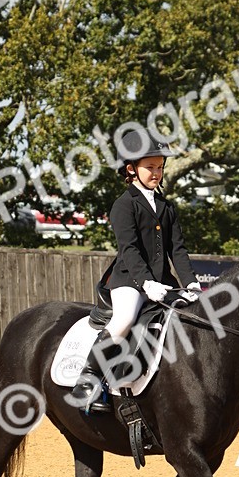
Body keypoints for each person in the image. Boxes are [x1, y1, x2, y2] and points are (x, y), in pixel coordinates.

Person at [70, 128, 201, 413]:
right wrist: (146, 283)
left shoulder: (167, 207)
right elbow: (128, 250)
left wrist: (191, 284)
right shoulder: (123, 205)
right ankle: (89, 379)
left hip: (163, 282)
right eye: (150, 167)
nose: (156, 172)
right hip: (129, 281)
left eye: (160, 167)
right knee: (125, 319)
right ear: (131, 169)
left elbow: (177, 250)